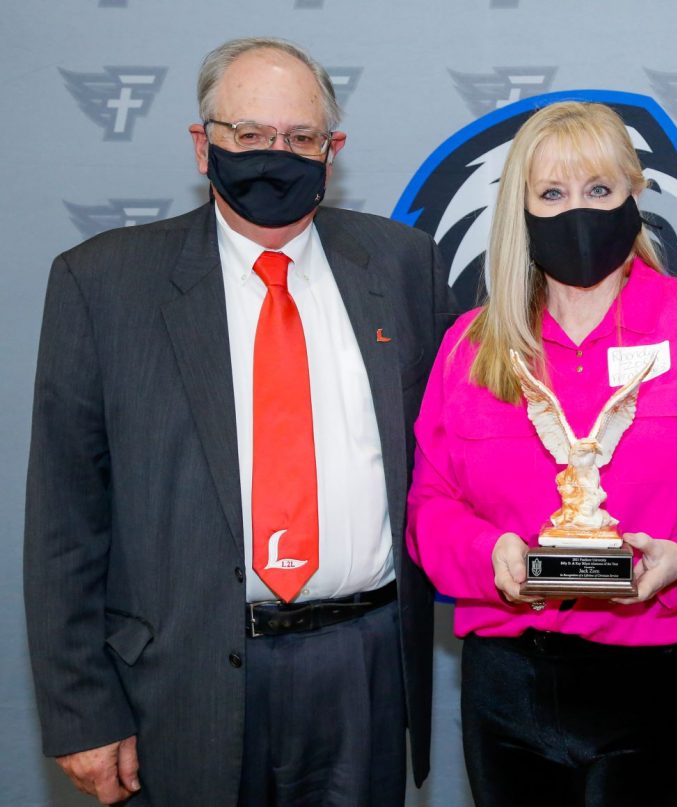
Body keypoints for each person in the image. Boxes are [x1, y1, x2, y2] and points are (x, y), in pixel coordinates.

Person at [24, 37, 453, 805]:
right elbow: (64, 519)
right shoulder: (103, 283)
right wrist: (79, 708)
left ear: (333, 150)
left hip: (364, 668)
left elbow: (450, 460)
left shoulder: (404, 266)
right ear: (202, 145)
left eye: (300, 138)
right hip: (182, 679)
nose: (274, 155)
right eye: (248, 135)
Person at [406, 100, 677, 806]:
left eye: (600, 189)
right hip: (506, 687)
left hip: (660, 673)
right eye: (553, 193)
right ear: (522, 210)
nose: (579, 210)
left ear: (635, 195)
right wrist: (491, 557)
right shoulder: (470, 345)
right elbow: (431, 503)